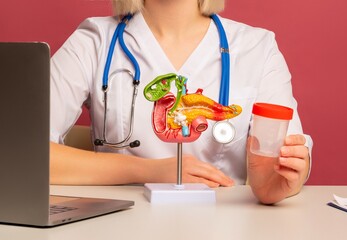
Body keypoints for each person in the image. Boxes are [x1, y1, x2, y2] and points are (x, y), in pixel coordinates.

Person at [50, 0, 313, 204]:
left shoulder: (258, 48)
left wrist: (278, 181)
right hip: (121, 226)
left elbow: (279, 160)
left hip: (225, 227)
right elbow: (18, 152)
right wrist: (148, 171)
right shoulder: (94, 41)